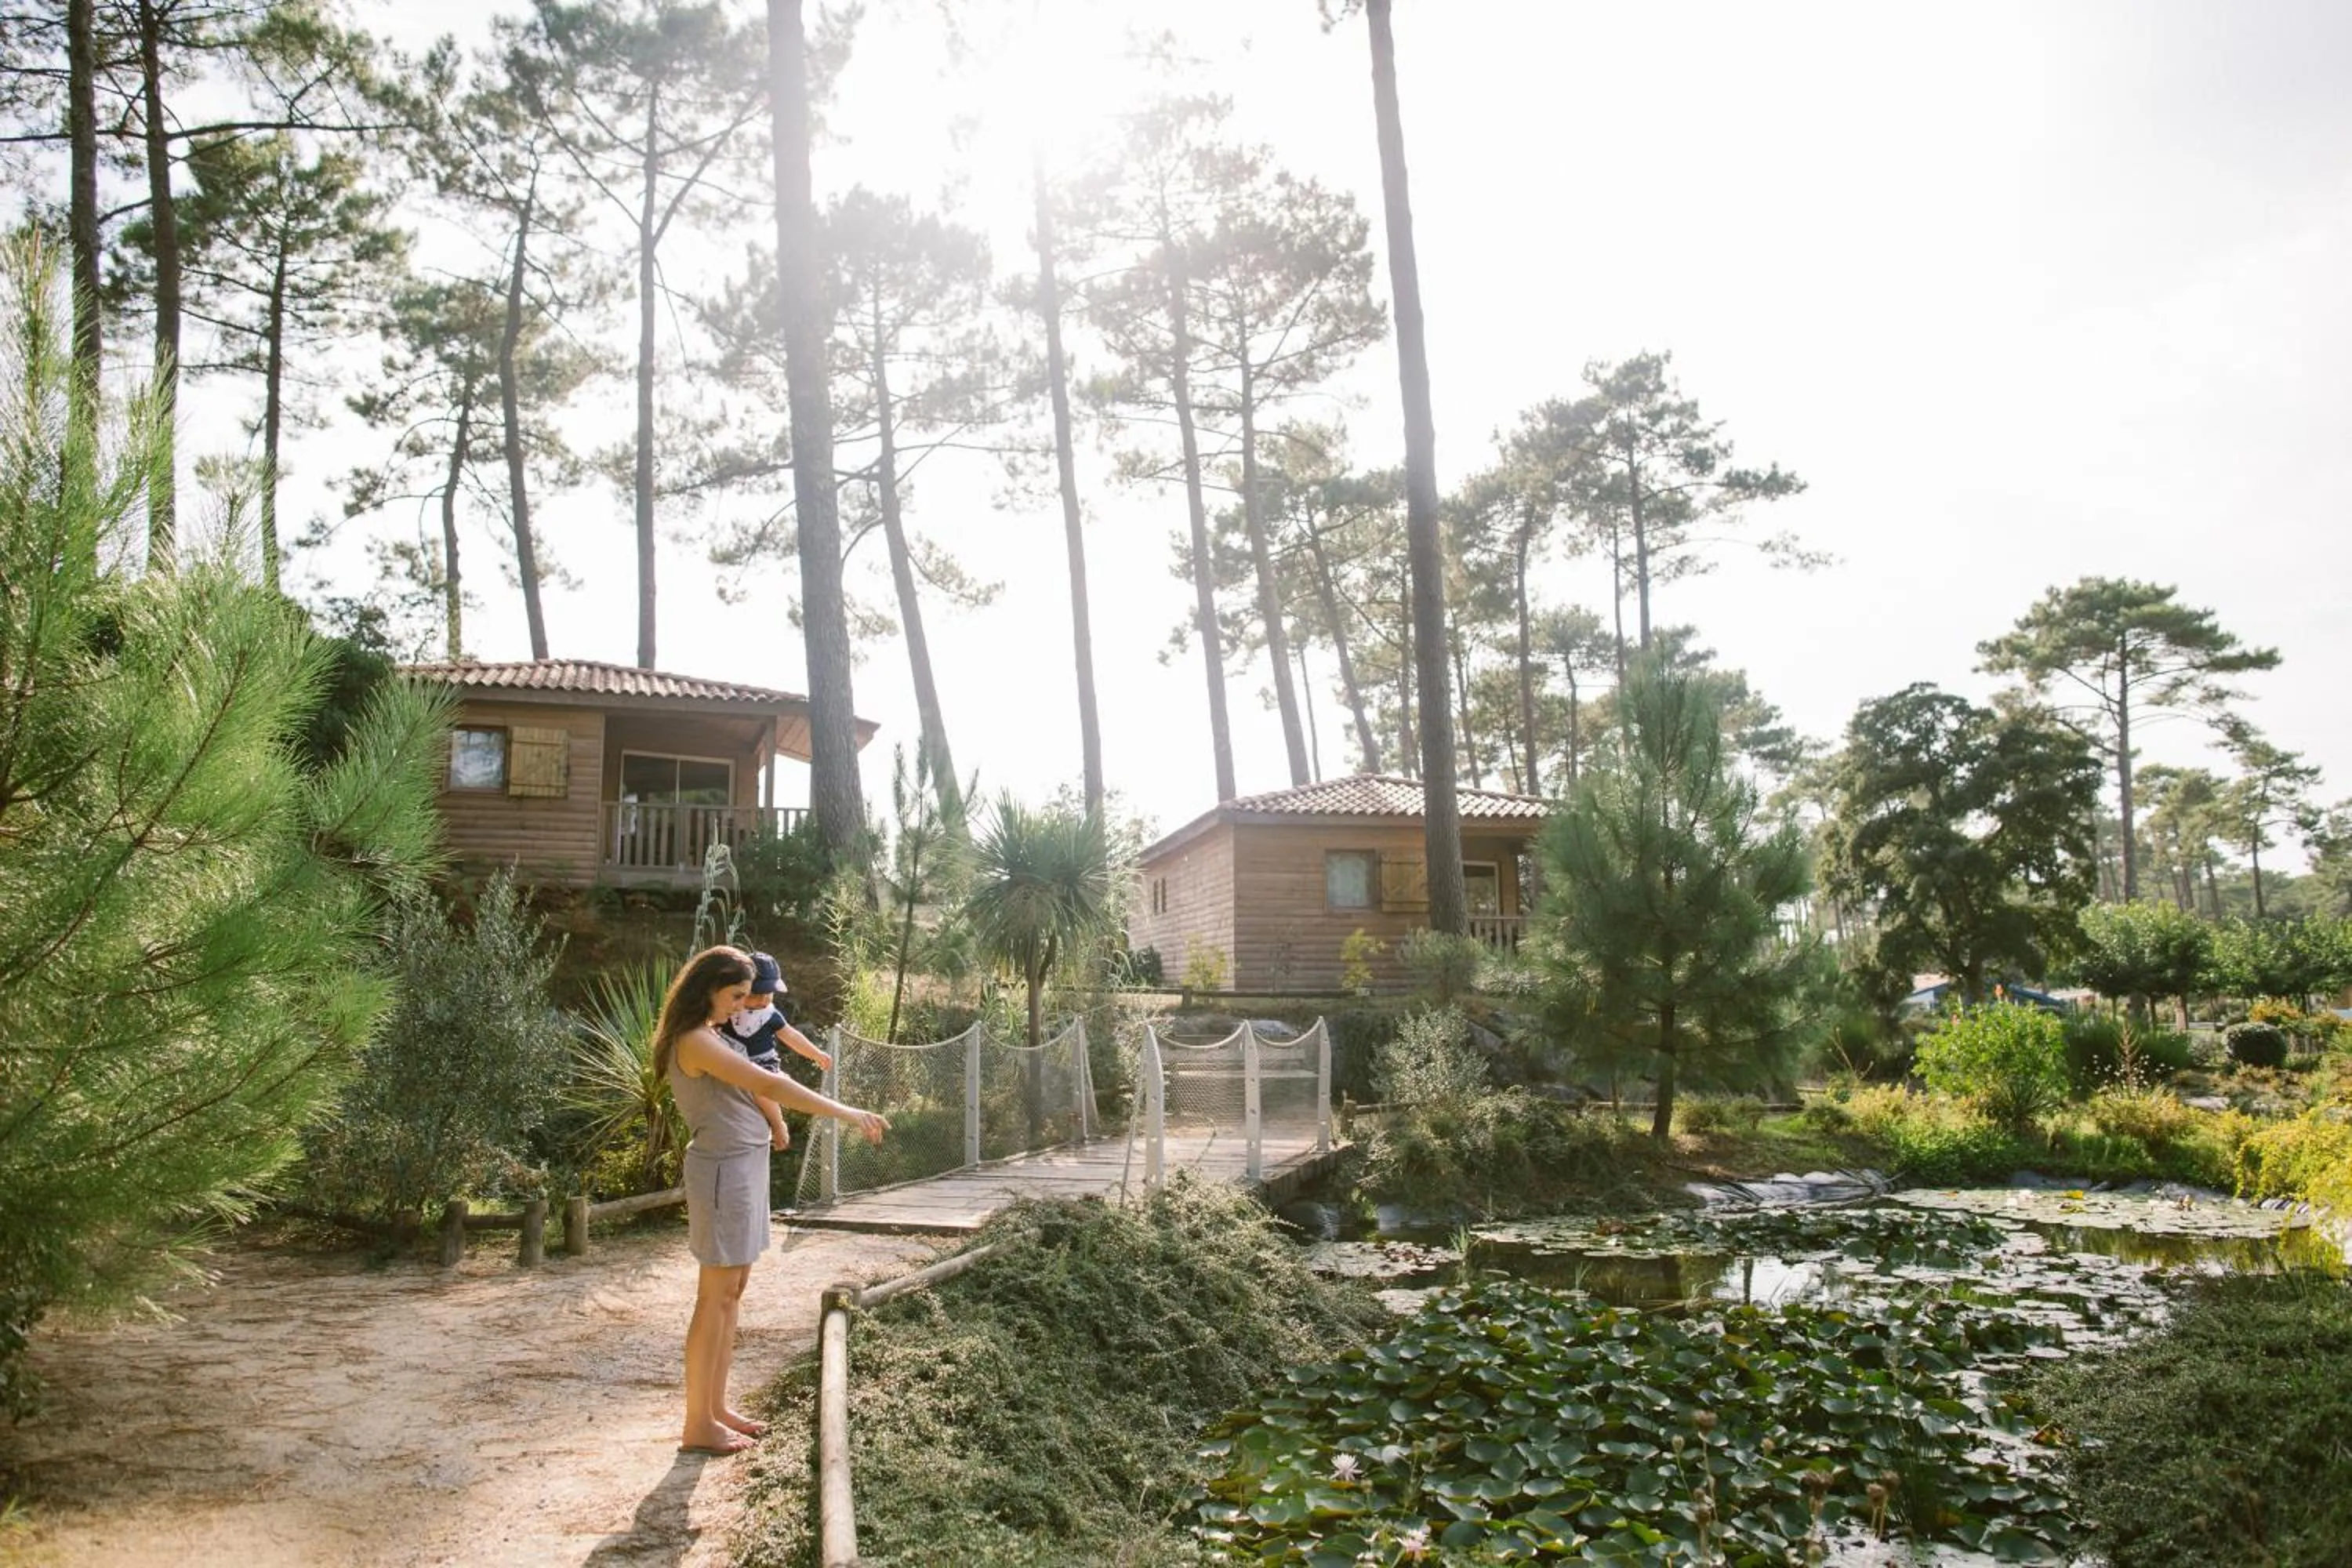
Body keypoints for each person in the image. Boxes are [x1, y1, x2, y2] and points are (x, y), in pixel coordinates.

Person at [655, 945, 888, 1457]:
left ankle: (716, 1408)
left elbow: (760, 1090)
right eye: (735, 996)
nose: (742, 1007)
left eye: (746, 997)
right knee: (713, 1298)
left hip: (743, 1167)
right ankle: (698, 1421)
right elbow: (768, 1082)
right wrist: (848, 1113)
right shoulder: (695, 1040)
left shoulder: (714, 1034)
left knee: (732, 1292)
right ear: (706, 990)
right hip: (722, 1173)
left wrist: (777, 1123)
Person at [722, 951, 833, 1153]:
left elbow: (791, 1036)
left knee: (762, 1089)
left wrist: (816, 1054)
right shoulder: (729, 1010)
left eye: (769, 994)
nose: (764, 1000)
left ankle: (778, 1124)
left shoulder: (770, 1015)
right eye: (756, 995)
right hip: (734, 1064)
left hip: (763, 1064)